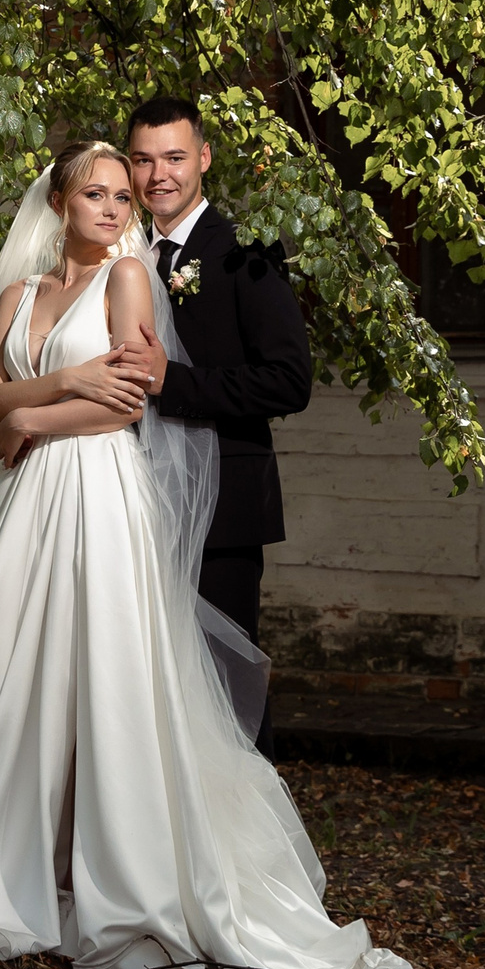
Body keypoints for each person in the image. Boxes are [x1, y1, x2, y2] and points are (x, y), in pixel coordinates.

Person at [0, 140, 425, 969]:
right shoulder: (19, 293)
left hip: (99, 489)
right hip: (27, 503)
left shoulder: (128, 278)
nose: (117, 208)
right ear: (59, 202)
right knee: (12, 672)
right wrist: (65, 380)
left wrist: (35, 420)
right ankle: (8, 853)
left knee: (107, 674)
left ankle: (116, 869)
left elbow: (125, 404)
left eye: (124, 196)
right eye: (98, 193)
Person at [124, 94, 313, 759]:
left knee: (227, 688)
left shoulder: (245, 250)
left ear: (203, 158)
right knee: (146, 685)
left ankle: (251, 826)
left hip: (223, 511)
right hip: (134, 502)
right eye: (143, 160)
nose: (159, 175)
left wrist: (172, 382)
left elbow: (289, 380)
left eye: (174, 157)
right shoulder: (124, 256)